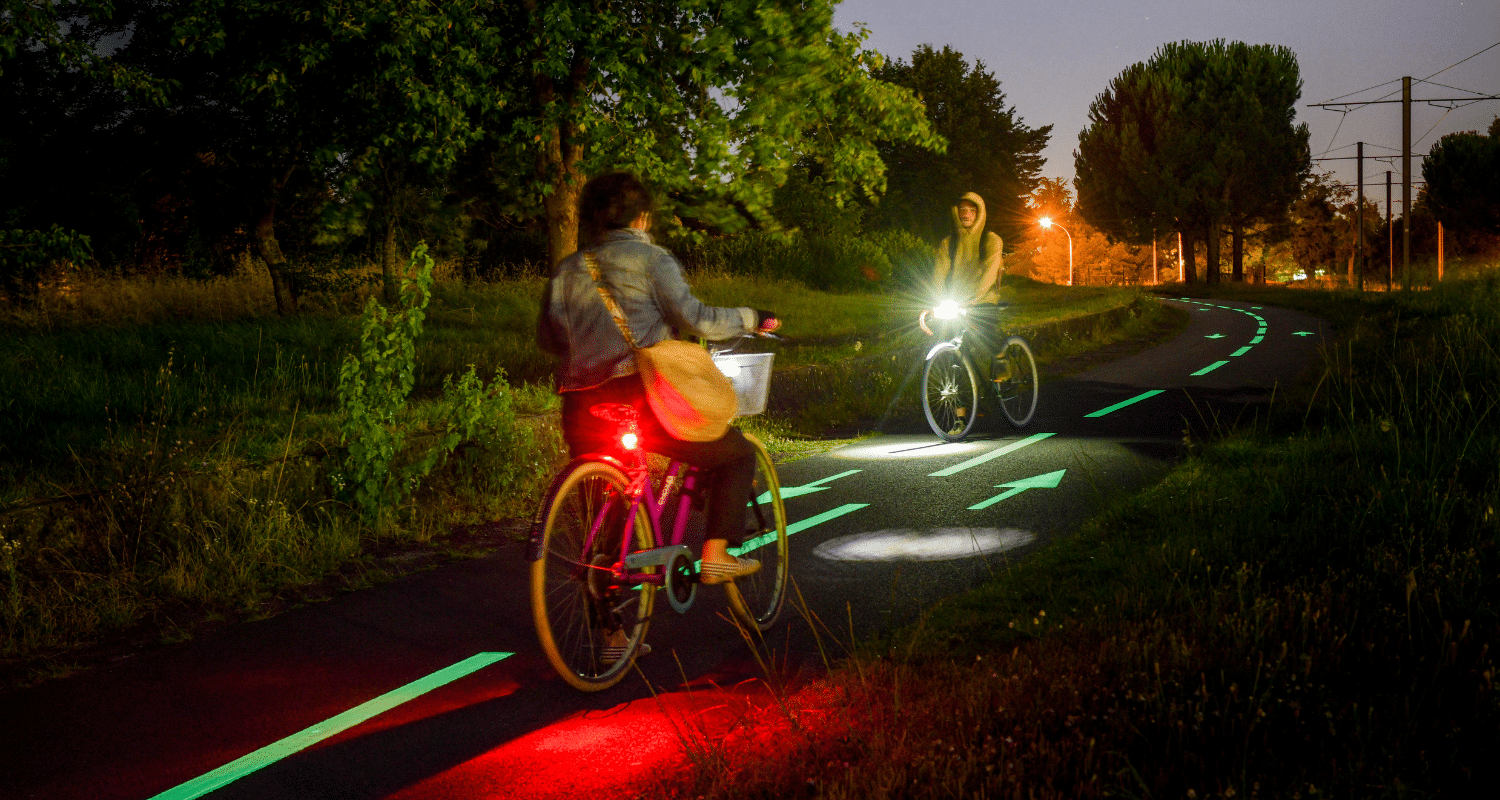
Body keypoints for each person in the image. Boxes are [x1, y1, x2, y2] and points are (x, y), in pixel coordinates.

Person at [538, 171, 779, 586]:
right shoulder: (652, 261)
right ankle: (718, 553)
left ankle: (614, 639)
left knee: (605, 516)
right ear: (642, 219)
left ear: (593, 219)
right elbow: (697, 319)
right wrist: (751, 318)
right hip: (643, 398)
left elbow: (548, 338)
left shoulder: (567, 270)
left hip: (580, 404)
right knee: (737, 454)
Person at [932, 192, 1008, 385]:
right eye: (962, 209)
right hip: (956, 302)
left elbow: (990, 272)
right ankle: (963, 407)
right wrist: (936, 301)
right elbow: (939, 274)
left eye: (971, 210)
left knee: (985, 330)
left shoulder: (991, 240)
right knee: (950, 349)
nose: (965, 214)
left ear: (979, 214)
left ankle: (1001, 358)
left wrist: (976, 297)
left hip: (983, 299)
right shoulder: (948, 244)